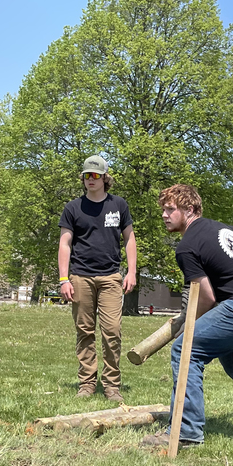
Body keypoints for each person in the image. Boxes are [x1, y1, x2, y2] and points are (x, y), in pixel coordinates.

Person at [143, 184, 233, 448]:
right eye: (163, 209)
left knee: (186, 350)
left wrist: (187, 326)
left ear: (189, 209)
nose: (164, 214)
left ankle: (185, 432)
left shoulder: (186, 247)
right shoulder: (219, 228)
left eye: (170, 209)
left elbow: (207, 298)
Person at [58, 155, 137, 404]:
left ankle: (112, 385)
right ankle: (87, 383)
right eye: (86, 175)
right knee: (84, 331)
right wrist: (63, 279)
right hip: (80, 277)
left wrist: (132, 272)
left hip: (111, 277)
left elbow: (130, 239)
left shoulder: (119, 205)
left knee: (112, 331)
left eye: (94, 175)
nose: (89, 179)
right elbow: (65, 243)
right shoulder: (73, 208)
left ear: (105, 178)